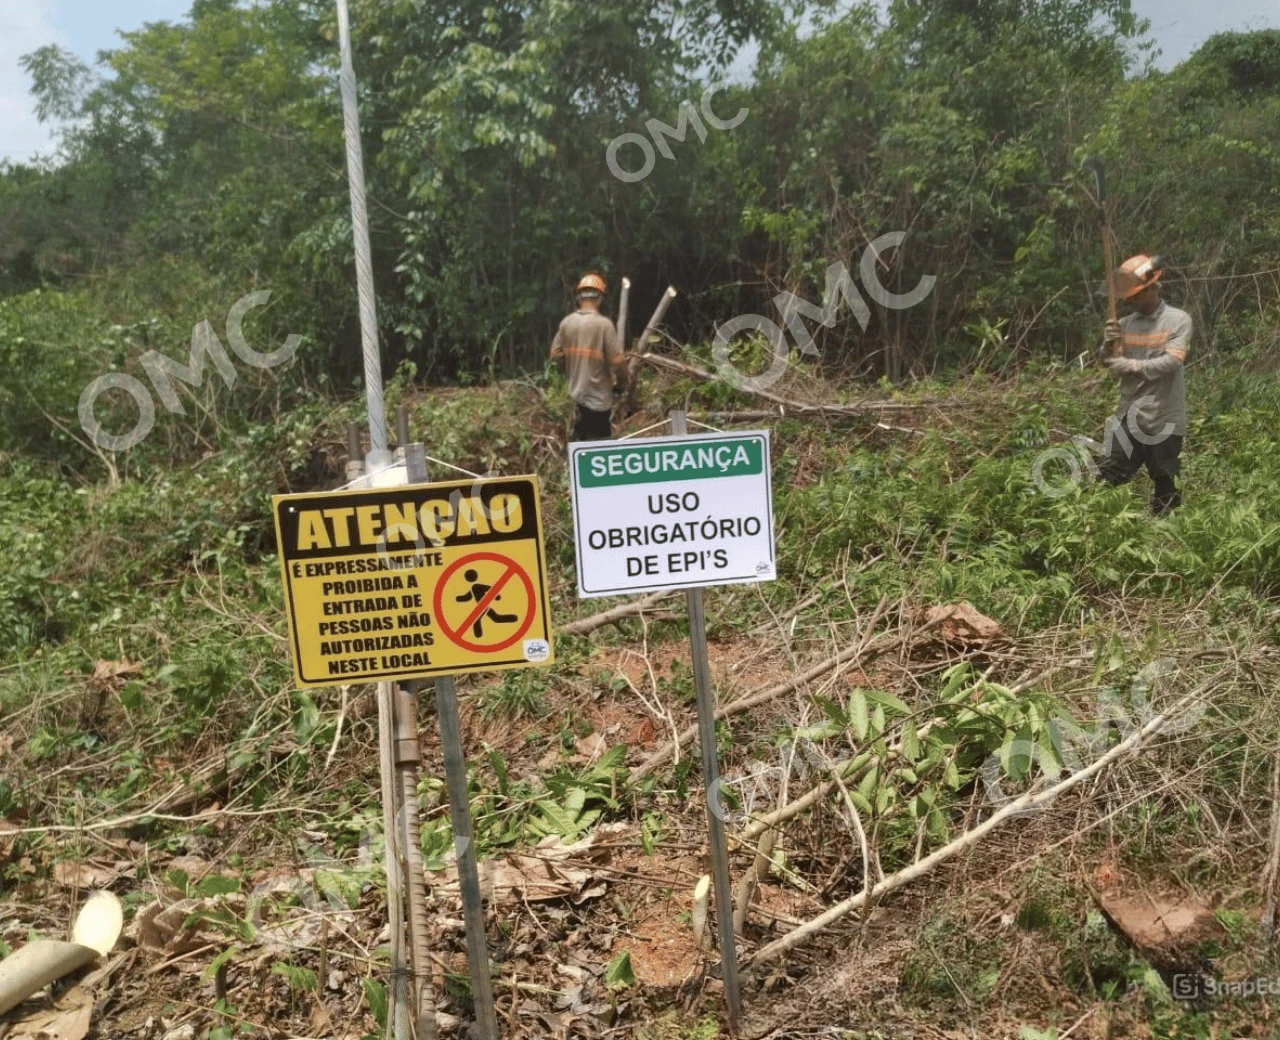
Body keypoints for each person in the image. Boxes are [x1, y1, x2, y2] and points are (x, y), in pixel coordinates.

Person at [1096, 254, 1191, 515]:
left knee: (1166, 486)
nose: (1129, 301)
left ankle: (1163, 543)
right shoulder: (1124, 324)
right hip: (1130, 416)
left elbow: (1172, 362)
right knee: (1107, 478)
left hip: (1164, 418)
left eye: (1135, 296)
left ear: (1151, 289)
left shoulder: (1178, 320)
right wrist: (1107, 344)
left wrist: (1133, 366)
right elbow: (1108, 362)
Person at [550, 273, 627, 441]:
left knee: (579, 441)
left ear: (579, 297)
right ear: (600, 298)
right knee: (599, 448)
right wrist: (621, 384)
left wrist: (569, 370)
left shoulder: (567, 323)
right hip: (598, 400)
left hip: (576, 394)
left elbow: (555, 355)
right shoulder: (604, 325)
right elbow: (618, 362)